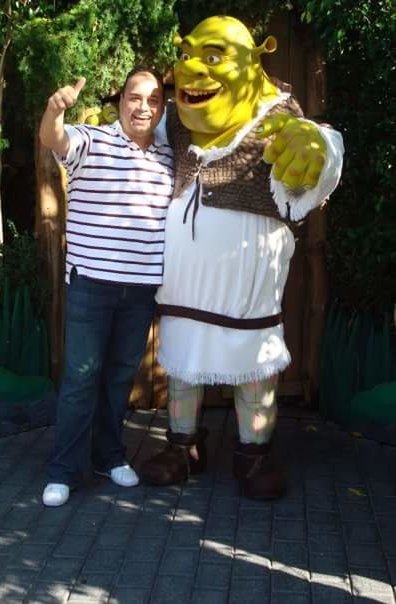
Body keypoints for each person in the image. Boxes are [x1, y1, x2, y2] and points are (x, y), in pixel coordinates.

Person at [140, 16, 344, 499]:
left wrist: (321, 147)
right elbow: (137, 136)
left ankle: (254, 454)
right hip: (183, 295)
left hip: (246, 301)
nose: (193, 70)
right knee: (184, 368)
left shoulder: (278, 122)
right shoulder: (179, 125)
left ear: (255, 61)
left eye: (212, 58)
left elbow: (318, 161)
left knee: (253, 372)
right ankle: (182, 446)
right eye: (187, 56)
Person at [39, 67, 174, 507]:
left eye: (153, 100)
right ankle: (64, 470)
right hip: (92, 284)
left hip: (140, 291)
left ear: (161, 108)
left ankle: (109, 456)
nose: (143, 107)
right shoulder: (93, 140)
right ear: (121, 100)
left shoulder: (169, 156)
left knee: (119, 379)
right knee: (81, 378)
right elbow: (55, 140)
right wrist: (54, 111)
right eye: (136, 97)